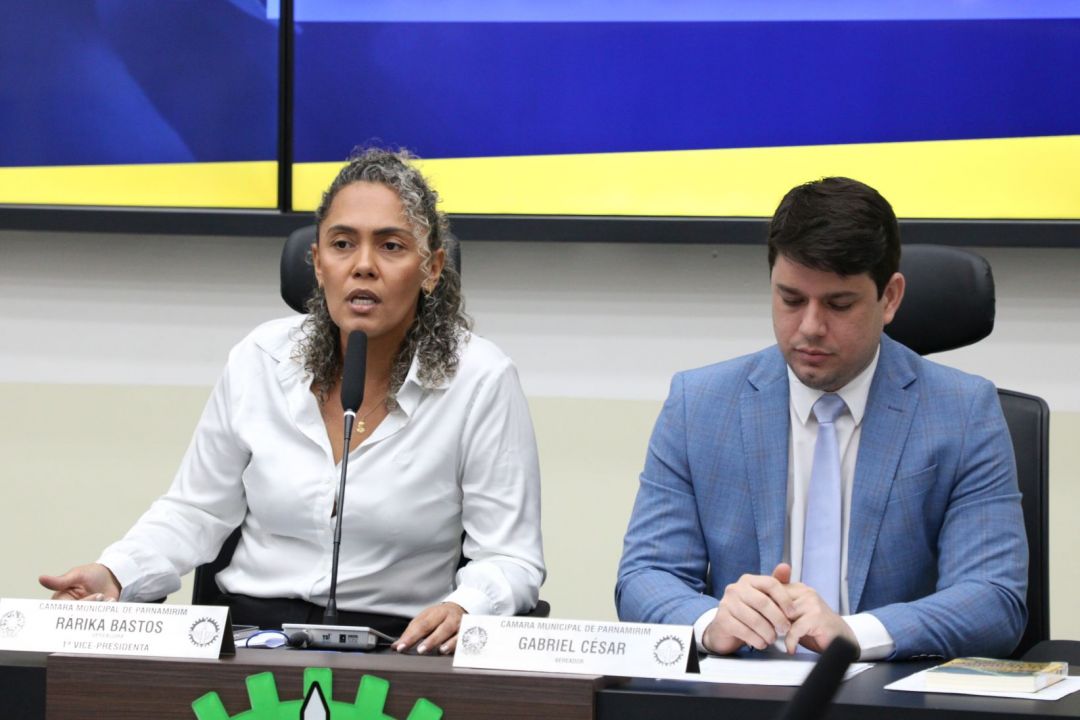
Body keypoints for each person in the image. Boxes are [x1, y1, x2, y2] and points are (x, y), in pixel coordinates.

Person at [40, 147, 545, 654]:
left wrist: (467, 607)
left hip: (399, 645)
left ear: (432, 269)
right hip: (250, 639)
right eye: (343, 244)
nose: (363, 266)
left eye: (391, 246)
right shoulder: (260, 359)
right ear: (318, 264)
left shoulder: (479, 379)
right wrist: (114, 573)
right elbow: (195, 510)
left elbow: (511, 557)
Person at [616, 177, 1027, 660]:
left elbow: (993, 599)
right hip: (744, 694)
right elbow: (644, 576)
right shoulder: (699, 404)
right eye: (791, 300)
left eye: (838, 304)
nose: (810, 327)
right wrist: (710, 623)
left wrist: (856, 634)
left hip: (887, 696)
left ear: (890, 298)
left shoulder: (963, 411)